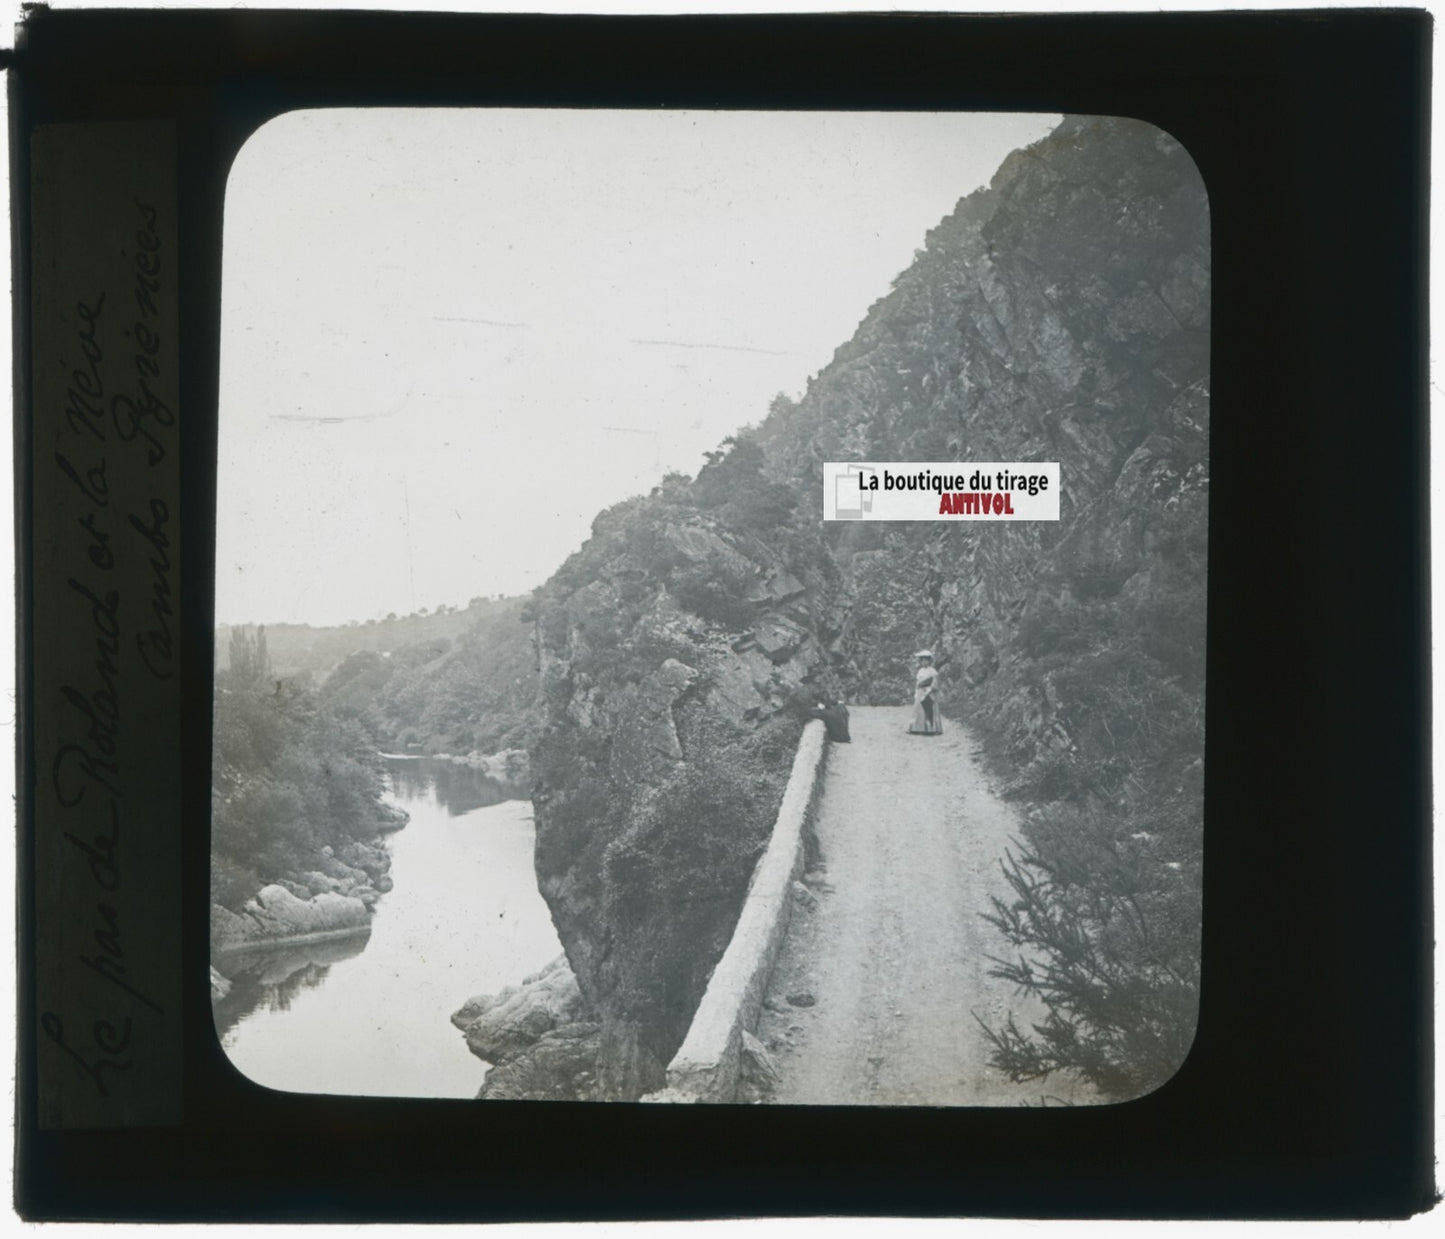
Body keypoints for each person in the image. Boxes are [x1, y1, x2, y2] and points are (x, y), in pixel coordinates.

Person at [908, 650, 942, 735]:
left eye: (926, 660)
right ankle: (917, 728)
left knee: (930, 708)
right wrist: (916, 693)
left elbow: (935, 682)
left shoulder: (932, 671)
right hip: (920, 691)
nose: (924, 662)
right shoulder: (920, 671)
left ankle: (931, 729)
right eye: (922, 660)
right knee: (918, 709)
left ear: (929, 661)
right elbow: (918, 683)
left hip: (929, 692)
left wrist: (929, 690)